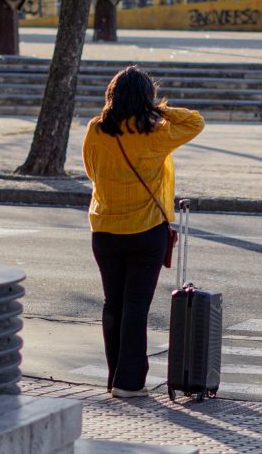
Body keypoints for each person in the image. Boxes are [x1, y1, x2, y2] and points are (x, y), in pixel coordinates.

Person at [82, 66, 204, 398]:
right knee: (136, 305)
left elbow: (92, 171)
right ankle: (130, 383)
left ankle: (114, 378)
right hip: (146, 230)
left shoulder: (95, 129)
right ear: (145, 100)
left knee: (113, 304)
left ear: (112, 95)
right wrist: (156, 109)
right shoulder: (155, 133)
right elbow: (195, 121)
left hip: (104, 228)